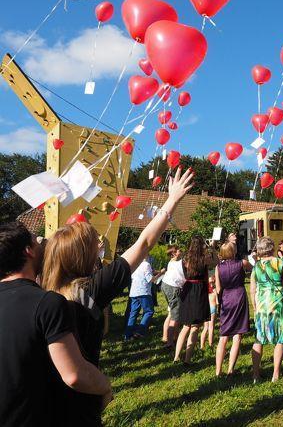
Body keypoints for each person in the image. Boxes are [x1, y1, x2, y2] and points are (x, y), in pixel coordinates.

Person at [42, 168, 193, 425]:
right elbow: (143, 244)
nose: (100, 248)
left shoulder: (41, 294)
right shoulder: (91, 290)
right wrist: (172, 200)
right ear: (83, 257)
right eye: (94, 246)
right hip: (82, 402)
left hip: (44, 403)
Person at [0, 221, 112, 427]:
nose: (44, 245)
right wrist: (105, 386)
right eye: (37, 241)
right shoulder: (47, 303)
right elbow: (74, 375)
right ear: (29, 251)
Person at [250, 236, 283, 382]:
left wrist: (254, 306)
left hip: (262, 304)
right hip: (277, 303)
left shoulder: (256, 266)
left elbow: (252, 288)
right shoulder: (280, 262)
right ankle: (276, 373)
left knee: (259, 339)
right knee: (279, 339)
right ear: (272, 248)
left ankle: (256, 375)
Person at [174, 235, 214, 364]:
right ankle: (187, 359)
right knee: (195, 327)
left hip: (188, 288)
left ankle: (176, 357)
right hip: (199, 290)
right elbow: (215, 263)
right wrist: (212, 248)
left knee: (186, 326)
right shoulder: (204, 258)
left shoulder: (185, 258)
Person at [215, 241, 250, 376]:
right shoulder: (242, 263)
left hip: (226, 298)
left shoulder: (218, 267)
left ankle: (218, 371)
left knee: (223, 336)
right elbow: (255, 268)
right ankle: (230, 369)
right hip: (239, 296)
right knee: (237, 334)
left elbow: (218, 288)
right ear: (233, 251)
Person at [124, 257, 154, 340]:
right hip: (143, 291)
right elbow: (150, 279)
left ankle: (127, 335)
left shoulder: (135, 264)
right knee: (149, 311)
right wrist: (161, 273)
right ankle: (140, 331)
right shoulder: (146, 264)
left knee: (133, 313)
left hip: (133, 292)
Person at [160, 247, 185, 347]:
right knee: (175, 316)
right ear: (174, 254)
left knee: (171, 312)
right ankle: (170, 342)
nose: (181, 250)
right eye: (178, 250)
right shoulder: (179, 263)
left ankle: (167, 337)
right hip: (173, 288)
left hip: (165, 285)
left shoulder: (171, 262)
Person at [200, 273, 217, 350]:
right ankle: (210, 344)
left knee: (205, 327)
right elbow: (217, 302)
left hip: (206, 309)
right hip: (213, 309)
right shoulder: (214, 291)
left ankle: (202, 345)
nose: (212, 284)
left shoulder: (205, 291)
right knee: (211, 327)